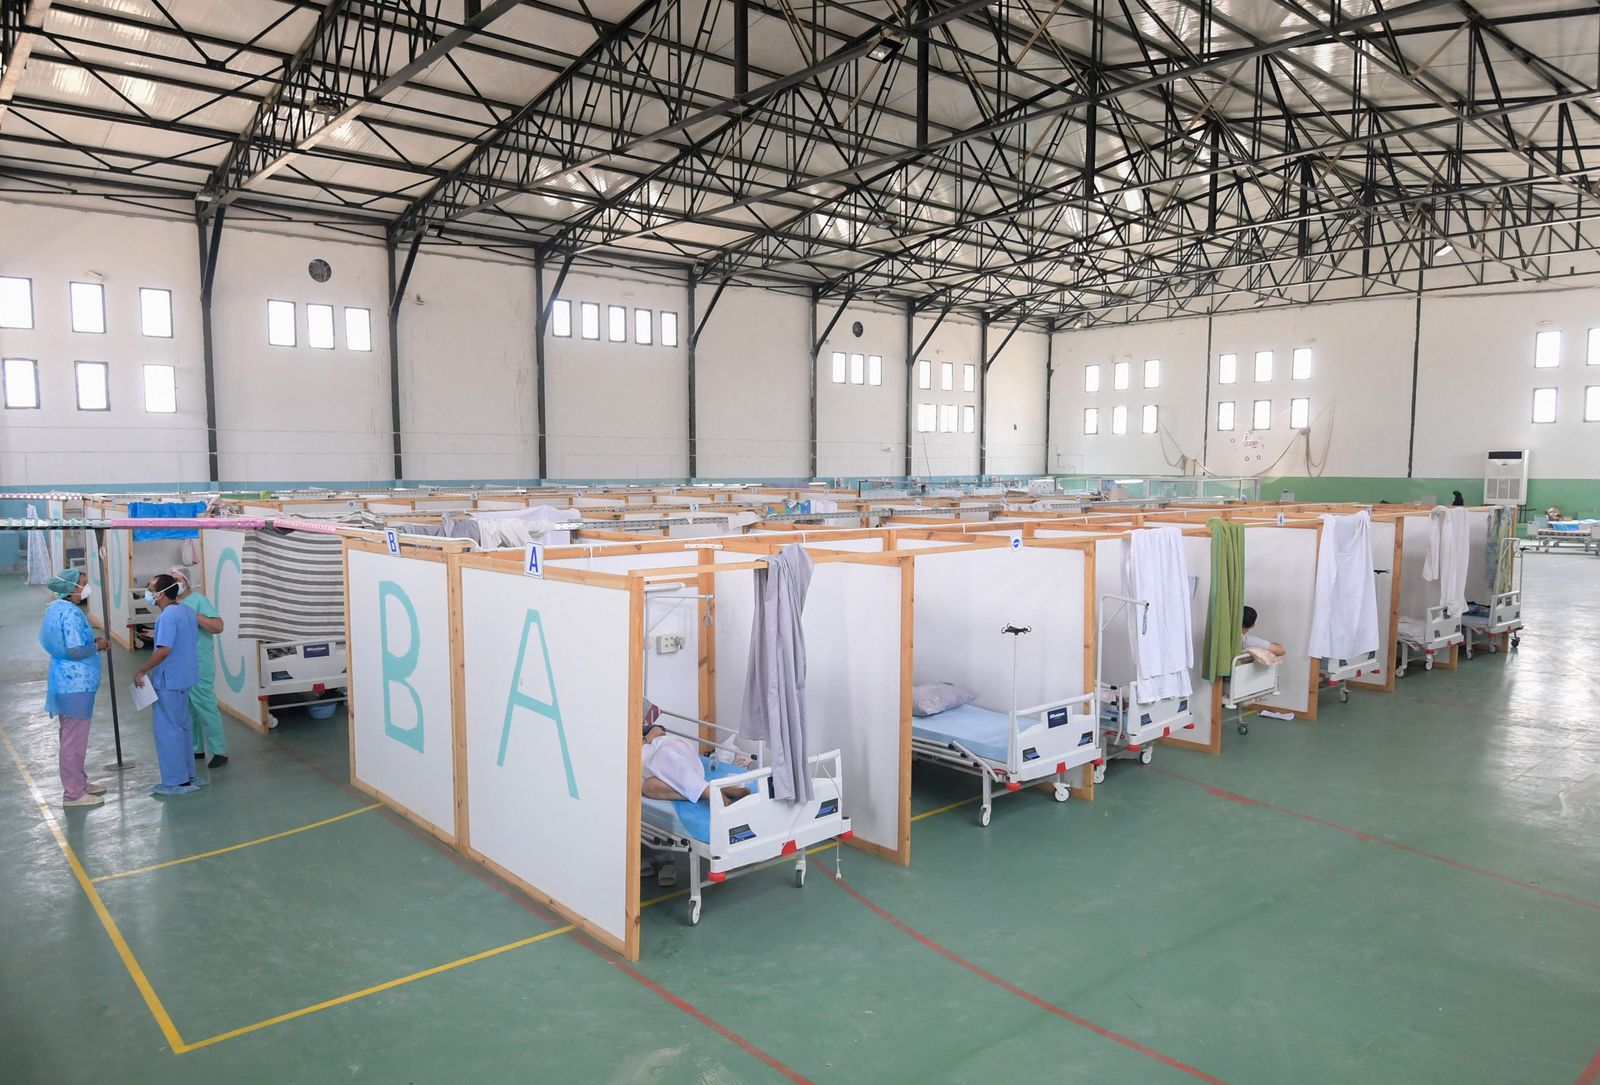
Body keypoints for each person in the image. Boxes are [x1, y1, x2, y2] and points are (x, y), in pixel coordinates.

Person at [39, 570, 109, 808]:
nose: (85, 589)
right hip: (75, 682)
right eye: (82, 585)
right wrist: (97, 644)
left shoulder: (55, 608)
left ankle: (78, 782)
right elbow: (77, 648)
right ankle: (73, 794)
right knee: (73, 739)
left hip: (65, 680)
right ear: (70, 587)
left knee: (70, 735)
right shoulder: (69, 613)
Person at [133, 574, 207, 797]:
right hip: (185, 677)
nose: (148, 592)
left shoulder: (166, 617)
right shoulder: (186, 611)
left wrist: (142, 669)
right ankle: (189, 775)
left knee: (168, 731)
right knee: (183, 727)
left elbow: (164, 650)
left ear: (162, 594)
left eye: (151, 588)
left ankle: (176, 781)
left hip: (169, 680)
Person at [170, 567, 228, 768]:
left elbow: (218, 626)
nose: (174, 583)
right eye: (171, 580)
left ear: (186, 581)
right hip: (180, 664)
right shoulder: (172, 605)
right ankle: (196, 748)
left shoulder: (198, 601)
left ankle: (219, 751)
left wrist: (193, 615)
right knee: (188, 708)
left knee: (205, 706)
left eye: (177, 579)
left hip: (199, 663)